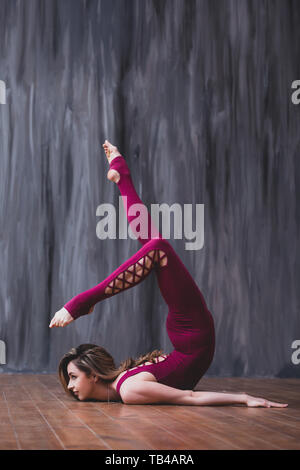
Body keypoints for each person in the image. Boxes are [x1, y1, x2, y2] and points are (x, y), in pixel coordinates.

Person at [49, 140, 288, 409]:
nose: (69, 386)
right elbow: (189, 397)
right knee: (157, 248)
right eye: (69, 378)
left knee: (155, 244)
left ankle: (121, 175)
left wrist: (244, 399)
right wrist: (244, 399)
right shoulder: (129, 390)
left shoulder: (126, 386)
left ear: (93, 375)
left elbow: (188, 394)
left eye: (72, 377)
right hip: (192, 336)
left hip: (187, 336)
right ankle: (83, 301)